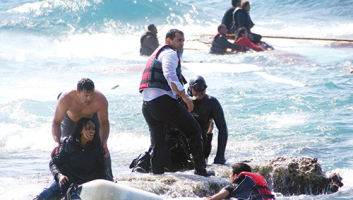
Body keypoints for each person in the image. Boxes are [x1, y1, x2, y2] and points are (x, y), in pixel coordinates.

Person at [138, 29, 214, 177]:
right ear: (168, 41)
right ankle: (200, 170)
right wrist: (185, 97)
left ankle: (157, 173)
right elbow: (170, 75)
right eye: (178, 40)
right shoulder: (169, 53)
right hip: (162, 103)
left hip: (148, 106)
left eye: (183, 40)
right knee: (194, 130)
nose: (181, 43)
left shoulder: (158, 53)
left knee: (158, 141)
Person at [130, 76, 228, 172]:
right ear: (189, 89)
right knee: (162, 143)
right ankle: (142, 162)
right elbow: (165, 127)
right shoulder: (181, 101)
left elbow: (223, 128)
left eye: (203, 87)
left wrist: (220, 156)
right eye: (196, 87)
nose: (200, 91)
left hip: (200, 147)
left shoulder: (211, 103)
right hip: (180, 145)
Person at [51, 78, 113, 180]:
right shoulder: (66, 98)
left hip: (91, 120)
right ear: (77, 93)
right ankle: (61, 181)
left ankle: (108, 180)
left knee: (101, 149)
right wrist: (56, 142)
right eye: (86, 95)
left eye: (91, 95)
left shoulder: (100, 100)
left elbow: (104, 123)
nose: (89, 99)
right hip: (71, 122)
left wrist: (104, 142)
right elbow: (56, 122)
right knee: (65, 149)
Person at [36, 118, 109, 200]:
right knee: (42, 197)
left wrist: (105, 188)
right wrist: (59, 176)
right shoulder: (68, 143)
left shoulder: (96, 147)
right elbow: (53, 163)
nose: (92, 131)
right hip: (65, 182)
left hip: (82, 187)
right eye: (88, 128)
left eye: (94, 129)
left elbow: (101, 169)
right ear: (80, 130)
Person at [204, 163, 275, 200]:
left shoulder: (236, 183)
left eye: (230, 174)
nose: (229, 176)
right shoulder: (255, 184)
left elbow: (213, 198)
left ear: (235, 176)